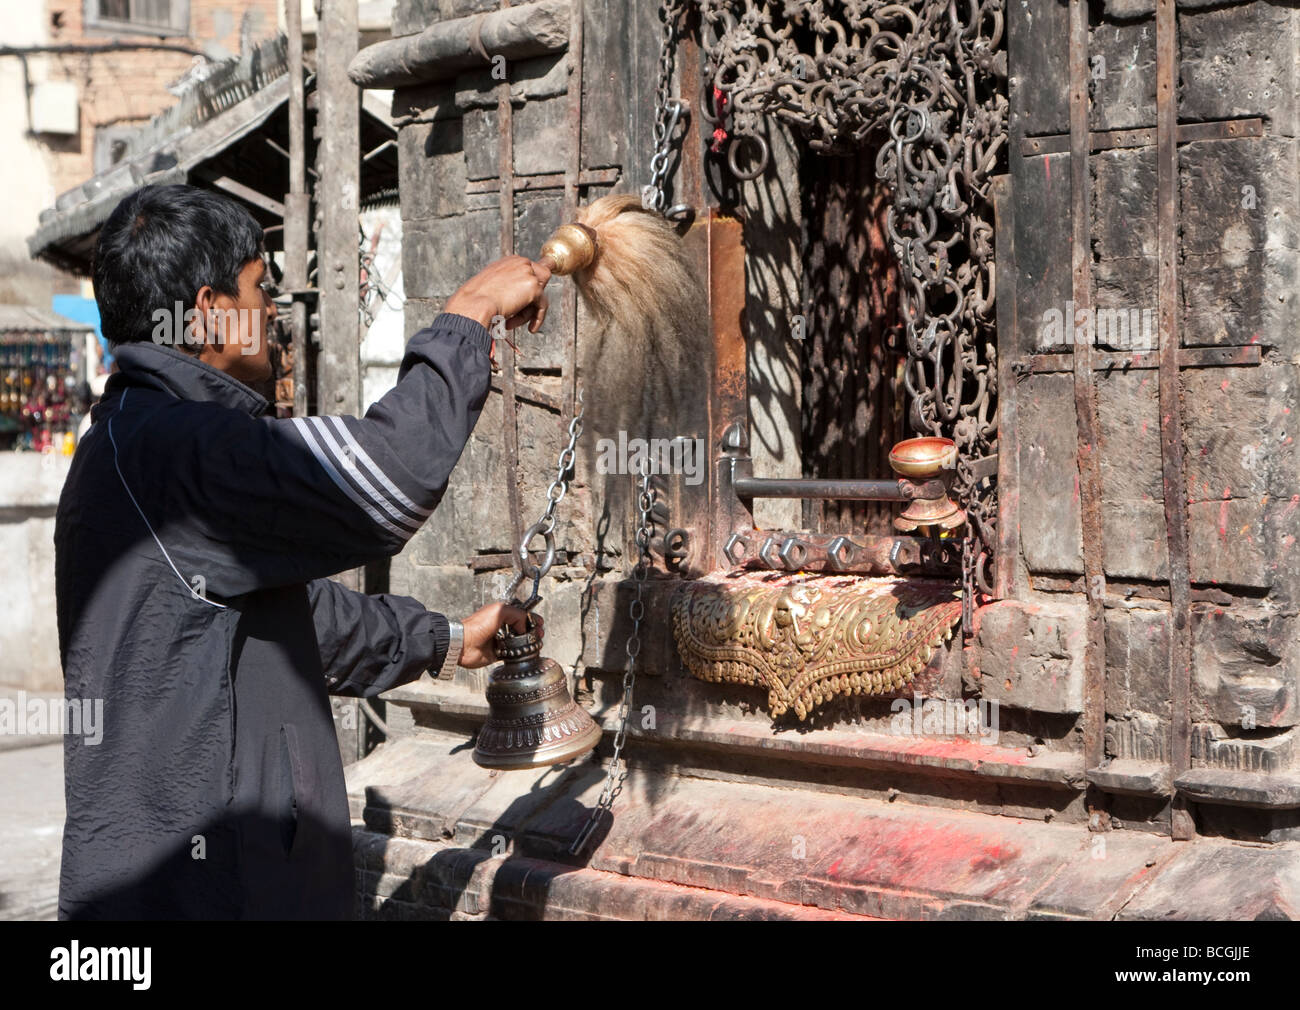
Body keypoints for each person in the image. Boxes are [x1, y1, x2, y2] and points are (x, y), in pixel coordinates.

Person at [54, 183, 552, 919]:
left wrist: (442, 641)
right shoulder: (179, 447)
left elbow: (286, 622)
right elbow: (387, 477)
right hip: (201, 891)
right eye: (260, 288)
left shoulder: (136, 440)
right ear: (210, 311)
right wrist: (467, 317)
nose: (272, 314)